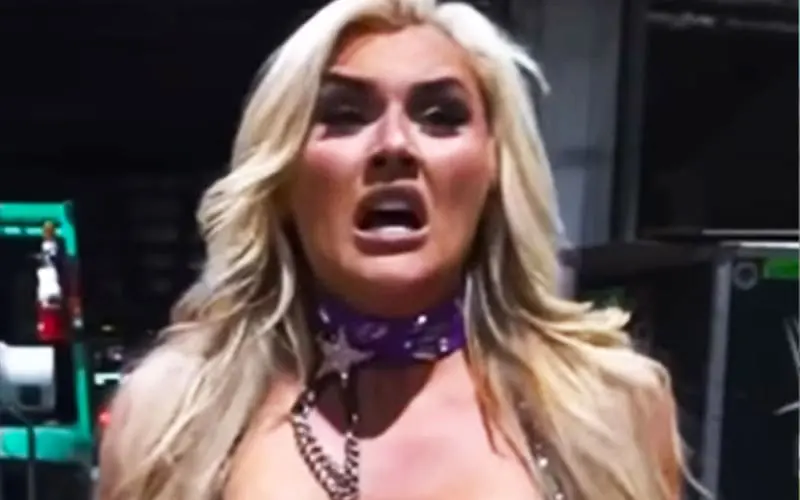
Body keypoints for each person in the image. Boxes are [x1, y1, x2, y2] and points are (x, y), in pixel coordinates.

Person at [98, 0, 684, 499]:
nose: (395, 145)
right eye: (345, 115)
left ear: (494, 170)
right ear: (282, 176)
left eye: (441, 116)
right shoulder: (171, 422)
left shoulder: (609, 413)